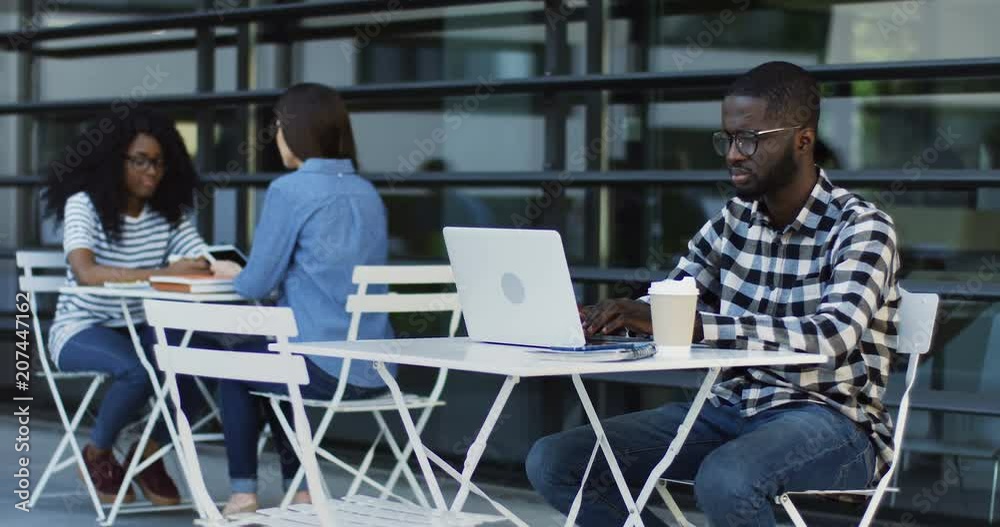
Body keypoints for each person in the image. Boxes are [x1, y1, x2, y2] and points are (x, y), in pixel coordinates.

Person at [526, 62, 900, 526]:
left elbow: (831, 336)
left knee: (726, 478)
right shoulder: (733, 222)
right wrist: (609, 319)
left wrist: (694, 324)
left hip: (834, 422)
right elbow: (671, 300)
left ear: (803, 140)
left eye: (750, 139)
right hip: (729, 407)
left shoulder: (861, 227)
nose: (734, 155)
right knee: (556, 460)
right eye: (728, 139)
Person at [211, 83, 395, 514]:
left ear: (297, 131)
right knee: (273, 363)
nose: (275, 136)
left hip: (323, 368)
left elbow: (254, 286)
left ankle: (243, 494)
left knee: (235, 368)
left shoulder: (289, 191)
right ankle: (301, 489)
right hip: (377, 370)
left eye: (278, 126)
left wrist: (237, 273)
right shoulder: (367, 193)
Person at [44, 107, 215, 506]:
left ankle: (147, 454)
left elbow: (202, 260)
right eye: (140, 161)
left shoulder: (167, 214)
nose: (152, 171)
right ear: (114, 161)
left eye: (159, 162)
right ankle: (98, 453)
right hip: (81, 328)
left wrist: (216, 265)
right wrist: (162, 273)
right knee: (137, 371)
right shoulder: (84, 205)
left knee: (199, 363)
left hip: (140, 327)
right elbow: (86, 272)